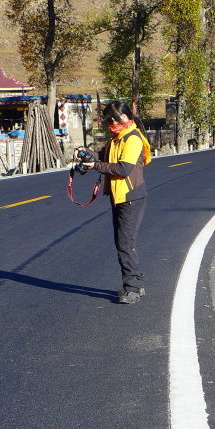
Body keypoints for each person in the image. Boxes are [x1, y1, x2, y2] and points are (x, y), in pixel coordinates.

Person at [74, 100, 153, 304]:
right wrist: (87, 153)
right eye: (109, 120)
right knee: (123, 242)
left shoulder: (133, 139)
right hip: (119, 197)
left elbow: (123, 169)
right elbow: (104, 156)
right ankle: (136, 282)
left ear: (125, 118)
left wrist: (95, 166)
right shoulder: (118, 138)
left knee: (125, 243)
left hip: (131, 197)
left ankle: (132, 288)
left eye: (114, 119)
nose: (112, 123)